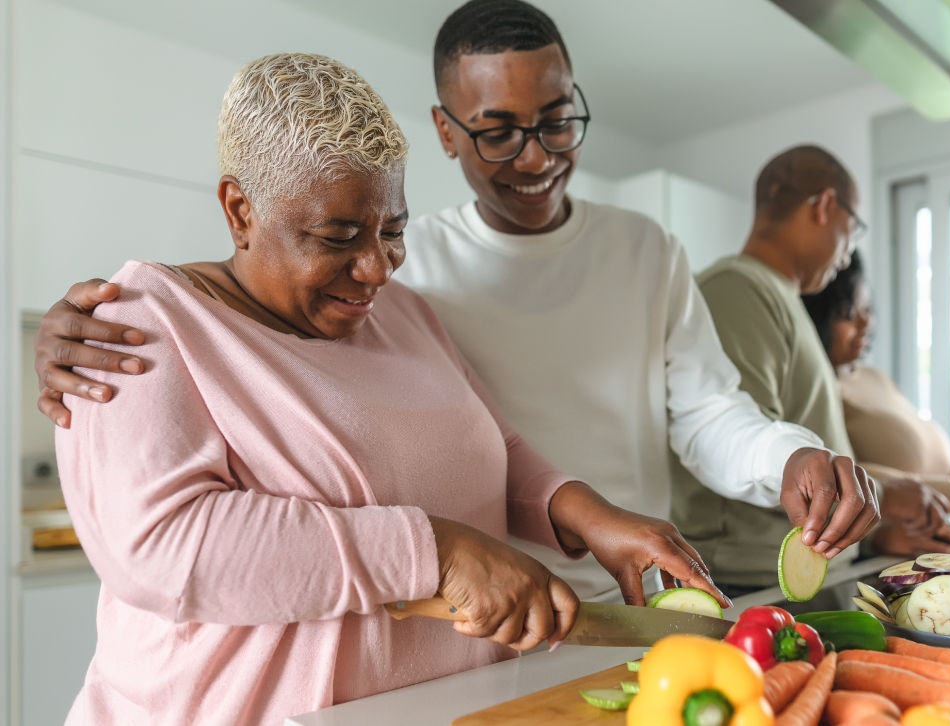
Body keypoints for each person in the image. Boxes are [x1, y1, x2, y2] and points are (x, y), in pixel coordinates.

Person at [35, 0, 884, 603]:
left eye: (556, 120)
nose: (534, 155)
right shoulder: (406, 277)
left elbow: (700, 415)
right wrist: (108, 321)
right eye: (497, 129)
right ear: (447, 131)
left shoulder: (635, 253)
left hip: (630, 589)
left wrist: (787, 458)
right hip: (482, 613)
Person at [53, 52, 727, 726]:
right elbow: (164, 548)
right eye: (338, 236)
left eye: (393, 231)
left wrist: (586, 514)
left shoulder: (403, 313)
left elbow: (494, 446)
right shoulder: (134, 325)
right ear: (240, 210)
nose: (376, 268)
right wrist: (438, 553)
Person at [671, 145, 950, 596]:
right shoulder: (735, 289)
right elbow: (736, 445)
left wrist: (874, 522)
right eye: (853, 231)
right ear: (826, 206)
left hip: (806, 575)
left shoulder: (778, 297)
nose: (848, 256)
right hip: (753, 583)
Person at [803, 250, 950, 512]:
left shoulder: (874, 378)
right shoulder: (818, 390)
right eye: (849, 314)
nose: (866, 322)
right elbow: (849, 478)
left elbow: (931, 467)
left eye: (867, 309)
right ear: (818, 318)